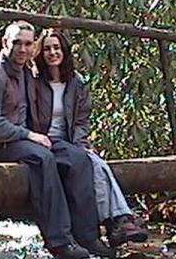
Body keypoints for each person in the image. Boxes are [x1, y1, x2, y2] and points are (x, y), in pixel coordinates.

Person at [0, 21, 114, 259]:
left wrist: (74, 139)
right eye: (17, 43)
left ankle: (87, 235)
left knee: (78, 157)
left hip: (21, 138)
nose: (22, 49)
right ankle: (60, 241)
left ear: (33, 48)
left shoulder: (26, 75)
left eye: (28, 44)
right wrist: (29, 135)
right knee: (43, 158)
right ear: (4, 43)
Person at [33, 29, 148, 247]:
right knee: (92, 163)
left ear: (65, 51)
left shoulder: (76, 83)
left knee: (96, 163)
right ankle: (117, 221)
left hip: (69, 143)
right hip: (43, 142)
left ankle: (118, 221)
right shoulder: (34, 82)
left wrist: (80, 144)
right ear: (40, 53)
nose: (52, 53)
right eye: (47, 48)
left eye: (56, 48)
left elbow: (81, 121)